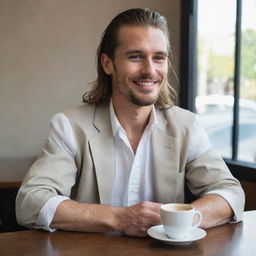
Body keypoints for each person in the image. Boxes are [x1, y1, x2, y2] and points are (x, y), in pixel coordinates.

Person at [16, 8, 245, 237]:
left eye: (159, 57)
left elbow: (230, 193)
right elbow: (30, 202)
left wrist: (180, 219)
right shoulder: (69, 126)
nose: (149, 70)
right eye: (135, 56)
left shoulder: (187, 126)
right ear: (108, 64)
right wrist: (121, 219)